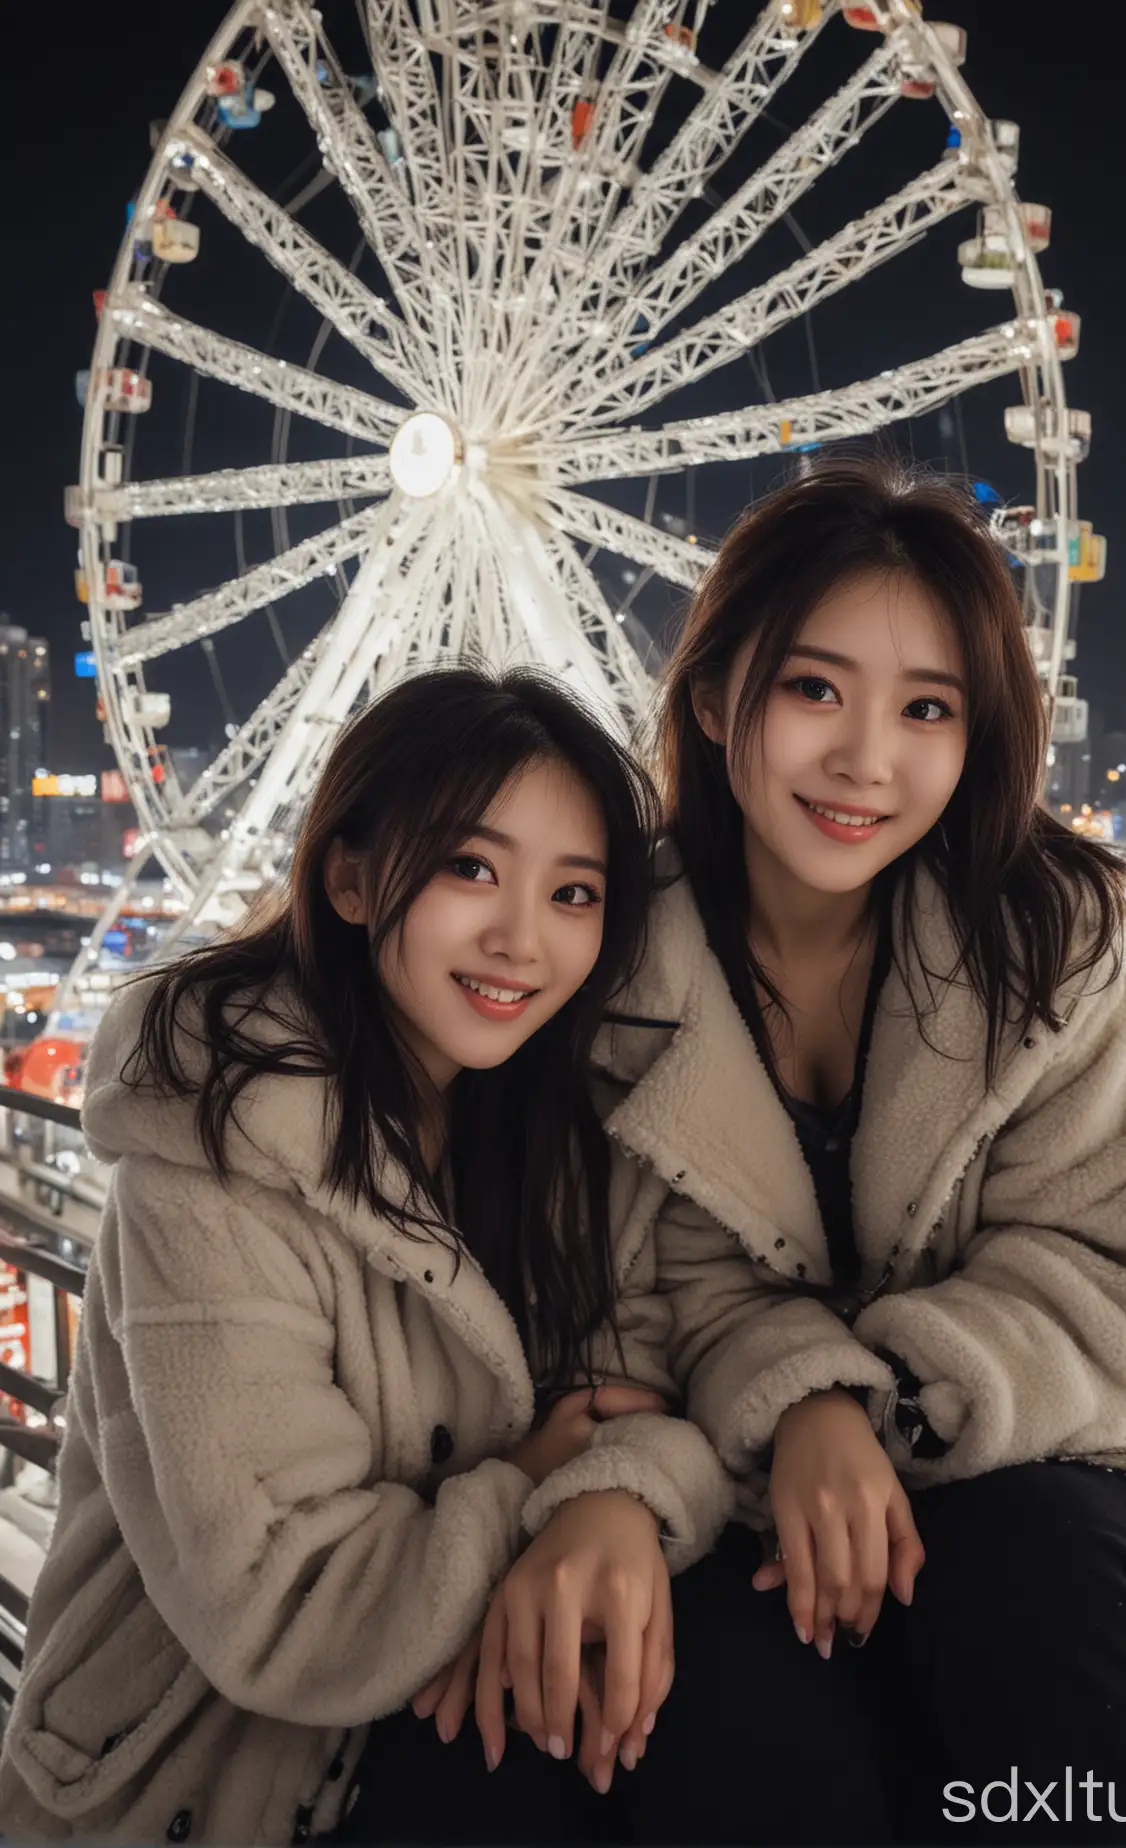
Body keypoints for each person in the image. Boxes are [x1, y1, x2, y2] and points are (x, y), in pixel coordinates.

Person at [592, 455, 1126, 1845]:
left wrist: (877, 1399)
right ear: (717, 699)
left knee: (1037, 1590)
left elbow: (1103, 1256)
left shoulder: (1045, 946)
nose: (866, 760)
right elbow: (641, 1294)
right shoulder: (608, 970)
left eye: (929, 708)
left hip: (1044, 1449)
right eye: (813, 689)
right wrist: (797, 1406)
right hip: (734, 1477)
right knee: (731, 1699)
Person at [0, 668, 730, 1846]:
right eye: (469, 868)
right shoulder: (211, 1158)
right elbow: (283, 1603)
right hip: (197, 1772)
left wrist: (613, 1501)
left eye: (577, 892)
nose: (521, 939)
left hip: (424, 1713)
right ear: (349, 876)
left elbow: (656, 1379)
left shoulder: (562, 1125)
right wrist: (538, 1495)